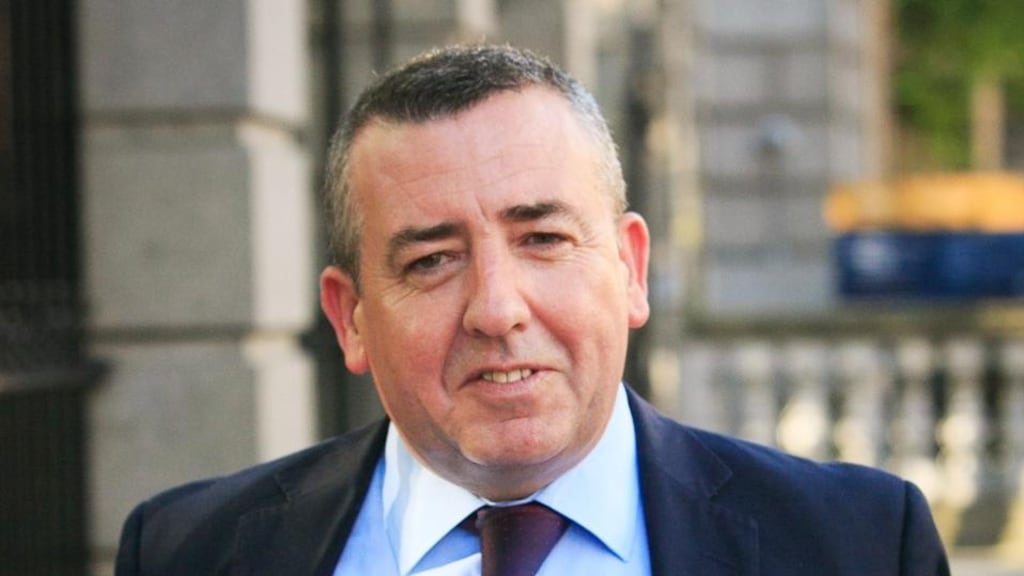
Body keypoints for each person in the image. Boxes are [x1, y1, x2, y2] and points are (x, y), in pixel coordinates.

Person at [115, 44, 950, 576]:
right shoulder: (188, 552)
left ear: (629, 268)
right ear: (351, 318)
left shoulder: (861, 547)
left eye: (543, 238)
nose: (497, 308)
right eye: (432, 260)